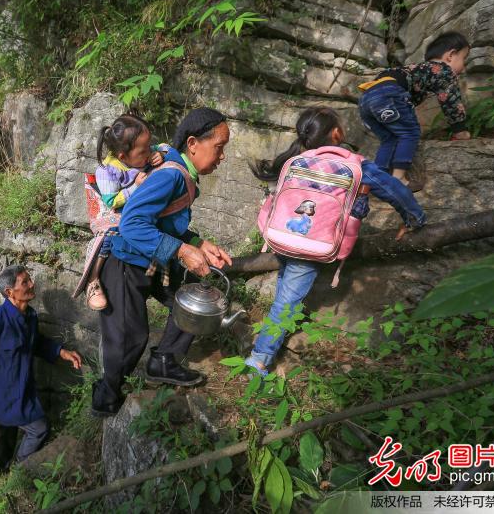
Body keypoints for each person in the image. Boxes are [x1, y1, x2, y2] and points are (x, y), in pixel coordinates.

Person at [245, 107, 427, 376]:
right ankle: (258, 361)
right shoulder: (357, 165)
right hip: (311, 247)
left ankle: (265, 345)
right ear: (337, 133)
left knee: (285, 292)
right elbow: (393, 189)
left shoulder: (296, 160)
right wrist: (414, 218)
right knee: (286, 306)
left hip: (282, 238)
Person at [91, 107, 233, 418]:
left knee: (192, 301)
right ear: (193, 143)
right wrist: (183, 252)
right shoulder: (171, 176)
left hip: (154, 259)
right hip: (125, 262)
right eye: (219, 147)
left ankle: (164, 361)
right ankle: (106, 397)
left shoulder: (184, 175)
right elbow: (132, 224)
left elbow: (167, 222)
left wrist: (198, 243)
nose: (222, 157)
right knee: (128, 338)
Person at [0, 265, 82, 481]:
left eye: (29, 279)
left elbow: (35, 344)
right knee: (39, 428)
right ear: (10, 292)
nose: (31, 284)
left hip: (22, 389)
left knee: (6, 434)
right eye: (24, 282)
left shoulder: (30, 316)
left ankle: (0, 475)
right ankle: (21, 470)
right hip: (1, 396)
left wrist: (60, 352)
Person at [358, 31, 471, 191]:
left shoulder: (418, 69)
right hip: (389, 92)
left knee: (390, 139)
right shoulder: (444, 70)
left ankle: (376, 179)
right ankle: (399, 179)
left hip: (367, 97)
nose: (464, 67)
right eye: (464, 59)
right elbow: (450, 99)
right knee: (410, 132)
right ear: (451, 56)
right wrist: (460, 130)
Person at [84, 114, 165, 311]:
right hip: (111, 213)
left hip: (134, 210)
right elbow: (110, 201)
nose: (148, 152)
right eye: (143, 151)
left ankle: (159, 267)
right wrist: (134, 187)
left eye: (149, 147)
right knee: (109, 237)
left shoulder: (141, 153)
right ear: (123, 156)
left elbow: (163, 147)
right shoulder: (108, 171)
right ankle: (93, 278)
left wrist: (159, 154)